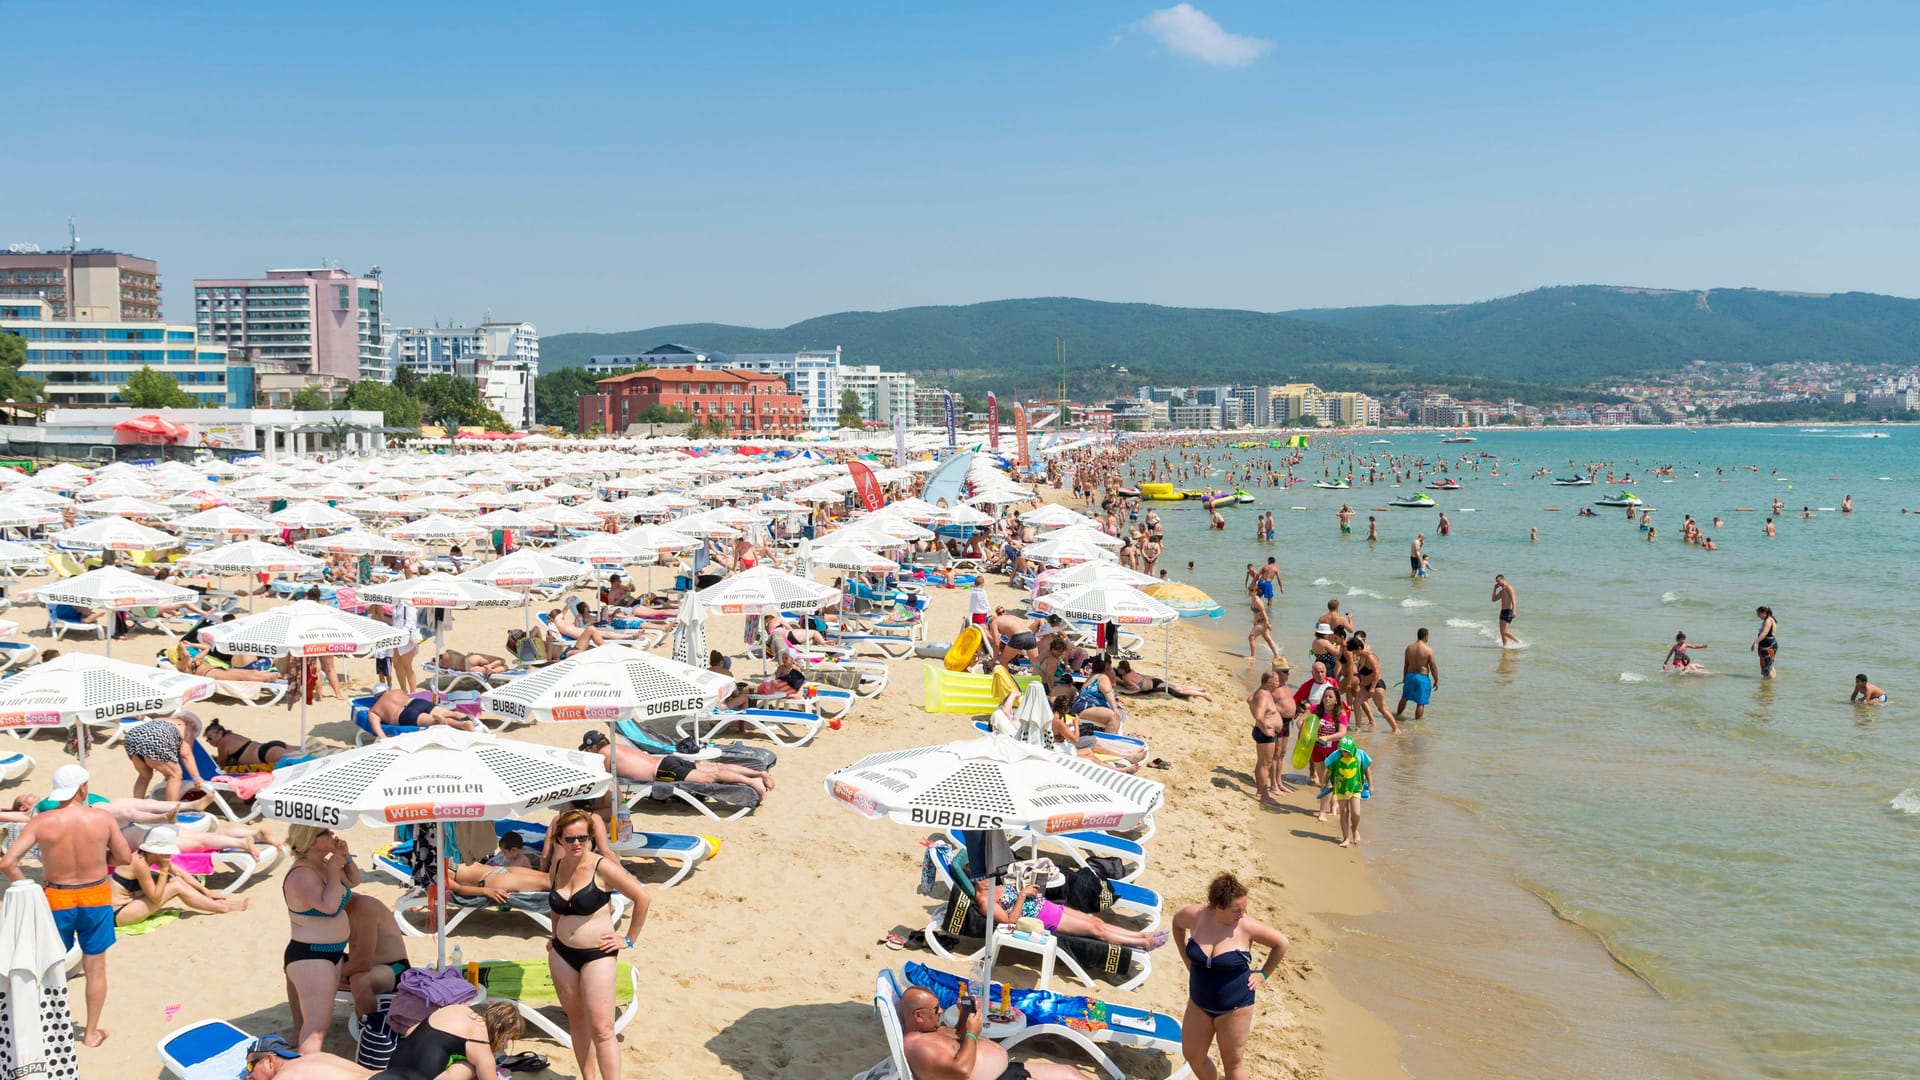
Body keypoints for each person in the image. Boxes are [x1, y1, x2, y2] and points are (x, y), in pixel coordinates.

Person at [0, 765, 129, 1046]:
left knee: (44, 966)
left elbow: (7, 863)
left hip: (56, 898)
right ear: (83, 788)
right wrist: (97, 858)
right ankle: (91, 1034)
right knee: (95, 969)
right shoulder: (102, 818)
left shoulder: (41, 822)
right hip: (95, 896)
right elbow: (123, 858)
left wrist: (28, 888)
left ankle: (42, 1029)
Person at [546, 808, 651, 1080]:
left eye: (582, 837)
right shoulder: (558, 866)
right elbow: (556, 907)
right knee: (577, 1022)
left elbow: (642, 898)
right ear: (560, 840)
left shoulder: (601, 866)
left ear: (590, 837)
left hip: (598, 954)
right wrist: (555, 934)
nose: (576, 843)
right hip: (561, 954)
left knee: (602, 1028)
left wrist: (628, 939)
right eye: (570, 839)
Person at [1171, 873, 1290, 1080]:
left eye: (1244, 909)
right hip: (1199, 1003)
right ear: (1218, 906)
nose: (1242, 915)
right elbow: (1177, 923)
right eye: (1237, 910)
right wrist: (1185, 957)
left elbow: (1281, 943)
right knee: (1193, 1055)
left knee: (1233, 1066)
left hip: (1235, 1007)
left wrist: (1263, 974)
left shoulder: (1246, 927)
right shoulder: (1196, 916)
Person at [896, 985, 1091, 1079]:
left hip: (1006, 1071)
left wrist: (965, 1017)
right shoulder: (917, 1045)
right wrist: (972, 1033)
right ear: (919, 1016)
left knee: (1069, 1073)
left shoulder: (932, 1030)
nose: (940, 1011)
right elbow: (960, 1071)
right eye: (936, 1008)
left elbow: (959, 1042)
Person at [283, 824, 361, 1054]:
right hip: (311, 956)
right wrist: (335, 870)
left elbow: (354, 881)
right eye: (325, 832)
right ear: (310, 841)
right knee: (316, 1030)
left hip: (329, 954)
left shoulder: (322, 864)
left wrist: (345, 858)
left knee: (310, 1026)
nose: (332, 834)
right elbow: (329, 906)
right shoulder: (301, 875)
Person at [107, 824, 249, 926]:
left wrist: (206, 891)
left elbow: (180, 873)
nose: (168, 855)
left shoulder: (147, 856)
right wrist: (163, 869)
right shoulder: (139, 863)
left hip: (129, 904)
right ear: (155, 851)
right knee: (175, 886)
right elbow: (155, 898)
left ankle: (215, 903)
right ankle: (222, 908)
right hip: (120, 913)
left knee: (177, 881)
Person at [579, 730, 775, 798]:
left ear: (593, 747)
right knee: (715, 768)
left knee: (711, 777)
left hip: (663, 772)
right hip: (666, 760)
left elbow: (595, 779)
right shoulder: (617, 746)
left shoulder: (602, 757)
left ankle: (752, 783)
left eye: (587, 750)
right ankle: (757, 774)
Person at [339, 892, 409, 1031]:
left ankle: (370, 1032)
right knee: (303, 963)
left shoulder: (365, 908)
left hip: (395, 967)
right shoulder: (332, 910)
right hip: (360, 964)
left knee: (360, 980)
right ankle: (300, 1029)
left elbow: (363, 962)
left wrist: (331, 974)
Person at [123, 712, 203, 803]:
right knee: (175, 775)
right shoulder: (186, 728)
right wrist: (197, 778)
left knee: (144, 776)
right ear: (191, 723)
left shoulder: (160, 719)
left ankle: (137, 805)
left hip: (132, 736)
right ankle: (171, 811)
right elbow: (186, 755)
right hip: (155, 739)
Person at [367, 686, 476, 736]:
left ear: (376, 697)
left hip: (405, 715)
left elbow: (378, 730)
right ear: (387, 690)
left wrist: (384, 738)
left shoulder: (374, 710)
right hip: (417, 702)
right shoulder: (396, 691)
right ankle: (452, 714)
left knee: (433, 721)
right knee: (440, 711)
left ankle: (462, 725)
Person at [1325, 736, 1373, 847]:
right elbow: (1329, 770)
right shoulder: (1336, 755)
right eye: (1342, 751)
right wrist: (1324, 784)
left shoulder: (1360, 755)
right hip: (1341, 788)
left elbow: (1367, 770)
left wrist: (1371, 785)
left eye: (1346, 751)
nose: (1344, 753)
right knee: (1344, 812)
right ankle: (1346, 838)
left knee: (1356, 813)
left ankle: (1354, 829)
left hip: (1356, 788)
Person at [202, 717, 297, 769]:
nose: (209, 742)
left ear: (220, 733)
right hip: (267, 748)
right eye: (207, 740)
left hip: (263, 755)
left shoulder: (223, 743)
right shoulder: (232, 736)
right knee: (305, 753)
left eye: (210, 738)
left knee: (299, 759)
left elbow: (220, 765)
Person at [1113, 659, 1212, 701]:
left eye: (1119, 668)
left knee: (1179, 690)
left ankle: (1202, 694)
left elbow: (1136, 688)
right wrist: (1122, 683)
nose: (1118, 669)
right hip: (1152, 679)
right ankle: (1199, 689)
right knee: (1176, 686)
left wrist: (1124, 691)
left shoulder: (1126, 678)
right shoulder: (1132, 671)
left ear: (1122, 670)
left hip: (1154, 685)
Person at [1395, 628, 1438, 721]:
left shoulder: (1409, 648)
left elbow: (1406, 665)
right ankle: (1418, 723)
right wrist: (1436, 681)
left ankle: (1397, 716)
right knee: (1420, 702)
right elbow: (1433, 668)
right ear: (1426, 636)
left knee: (1404, 697)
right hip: (1422, 677)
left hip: (1409, 676)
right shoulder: (1428, 650)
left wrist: (1404, 678)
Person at [1751, 606, 1779, 680]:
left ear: (1764, 613)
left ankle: (1769, 684)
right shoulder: (1771, 619)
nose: (1758, 616)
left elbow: (1764, 633)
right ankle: (1771, 684)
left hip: (1767, 645)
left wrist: (1755, 642)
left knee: (1767, 667)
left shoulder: (1768, 621)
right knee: (1770, 665)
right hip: (1770, 644)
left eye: (1759, 614)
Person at [1491, 574, 1519, 647]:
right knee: (1502, 632)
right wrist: (1494, 589)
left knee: (1505, 632)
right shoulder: (1502, 591)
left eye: (1498, 581)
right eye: (1497, 582)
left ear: (1503, 579)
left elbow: (1514, 600)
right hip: (1502, 611)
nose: (1498, 583)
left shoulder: (1509, 588)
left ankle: (1519, 642)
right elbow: (1493, 599)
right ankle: (1505, 647)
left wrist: (1514, 610)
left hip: (1509, 611)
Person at [438, 648, 511, 676]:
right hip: (470, 659)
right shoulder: (449, 651)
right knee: (502, 661)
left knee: (503, 667)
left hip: (467, 669)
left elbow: (433, 661)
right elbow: (461, 654)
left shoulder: (443, 665)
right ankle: (491, 666)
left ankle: (493, 670)